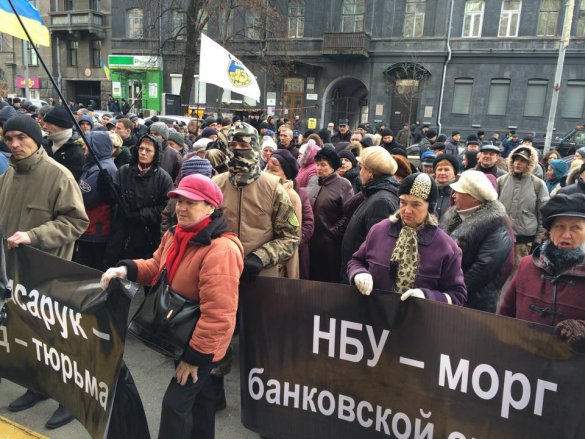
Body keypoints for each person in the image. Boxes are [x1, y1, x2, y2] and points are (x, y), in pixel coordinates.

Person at [100, 174, 244, 438]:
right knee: (201, 402)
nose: (181, 207)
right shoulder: (177, 234)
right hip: (183, 334)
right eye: (178, 200)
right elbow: (157, 266)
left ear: (211, 207)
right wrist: (126, 269)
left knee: (174, 405)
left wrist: (193, 360)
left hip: (201, 344)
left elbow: (219, 315)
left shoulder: (221, 250)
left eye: (191, 202)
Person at [1, 115, 89, 429]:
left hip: (50, 274)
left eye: (21, 137)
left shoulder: (58, 175)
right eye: (9, 137)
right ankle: (38, 388)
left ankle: (70, 400)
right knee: (30, 337)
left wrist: (34, 236)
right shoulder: (8, 176)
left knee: (59, 342)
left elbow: (77, 222)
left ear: (37, 139)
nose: (14, 144)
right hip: (16, 275)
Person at [348, 173, 467, 305]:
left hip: (419, 320)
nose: (407, 210)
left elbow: (457, 295)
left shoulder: (446, 246)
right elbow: (356, 261)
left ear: (429, 207)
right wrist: (359, 273)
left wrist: (426, 296)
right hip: (376, 316)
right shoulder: (379, 230)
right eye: (403, 202)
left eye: (416, 204)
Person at [499, 194, 585, 352]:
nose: (566, 235)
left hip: (573, 369)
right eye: (560, 227)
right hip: (525, 360)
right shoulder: (527, 265)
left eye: (576, 228)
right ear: (550, 231)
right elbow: (506, 313)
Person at [441, 170, 513, 312]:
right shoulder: (453, 217)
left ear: (474, 197)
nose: (453, 196)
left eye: (459, 192)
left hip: (474, 303)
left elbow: (483, 269)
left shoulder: (497, 226)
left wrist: (454, 292)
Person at [101, 134, 174, 266]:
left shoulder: (164, 178)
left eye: (148, 150)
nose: (143, 153)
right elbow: (111, 200)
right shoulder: (123, 171)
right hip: (120, 232)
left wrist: (140, 215)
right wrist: (105, 186)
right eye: (141, 149)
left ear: (156, 153)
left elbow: (165, 207)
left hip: (146, 236)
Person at [340, 146, 399, 283]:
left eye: (362, 168)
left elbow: (378, 250)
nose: (359, 172)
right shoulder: (373, 195)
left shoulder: (381, 202)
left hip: (364, 280)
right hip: (356, 274)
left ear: (371, 173)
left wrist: (361, 274)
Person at [265, 149, 314, 279]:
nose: (268, 174)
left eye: (274, 170)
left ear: (287, 174)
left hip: (287, 255)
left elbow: (307, 224)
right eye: (267, 168)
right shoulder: (262, 191)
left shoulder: (296, 195)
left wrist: (289, 247)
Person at [498, 145, 550, 265]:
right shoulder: (501, 181)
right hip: (501, 238)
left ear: (530, 164)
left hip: (524, 242)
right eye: (516, 159)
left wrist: (538, 241)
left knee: (518, 274)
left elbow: (543, 215)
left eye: (523, 160)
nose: (518, 163)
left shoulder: (538, 184)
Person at [307, 147, 353, 282]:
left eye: (323, 165)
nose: (319, 168)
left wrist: (333, 233)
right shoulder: (313, 180)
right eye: (317, 164)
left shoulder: (343, 184)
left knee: (327, 279)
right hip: (310, 241)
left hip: (330, 246)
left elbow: (348, 214)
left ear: (333, 166)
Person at [74, 131, 117, 271]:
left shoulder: (102, 168)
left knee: (90, 271)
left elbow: (82, 198)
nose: (84, 147)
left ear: (95, 146)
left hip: (95, 231)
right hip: (91, 229)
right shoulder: (96, 165)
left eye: (87, 143)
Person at [43, 104, 85, 181]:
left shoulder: (76, 152)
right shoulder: (44, 144)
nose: (44, 126)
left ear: (61, 125)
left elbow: (72, 183)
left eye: (48, 123)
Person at [433, 154, 460, 220]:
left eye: (446, 170)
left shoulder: (459, 192)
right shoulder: (429, 190)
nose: (442, 173)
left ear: (454, 173)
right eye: (439, 169)